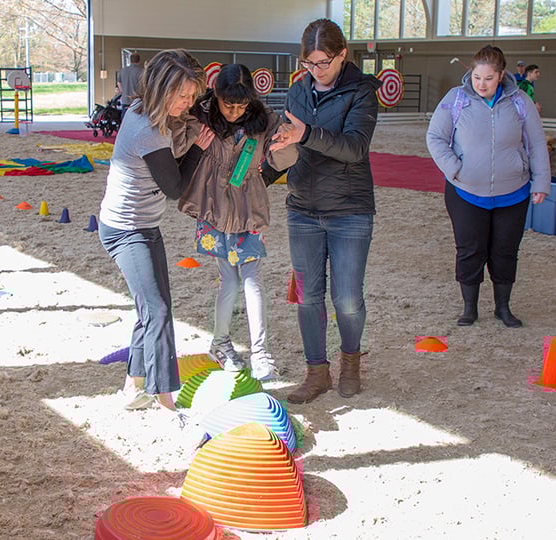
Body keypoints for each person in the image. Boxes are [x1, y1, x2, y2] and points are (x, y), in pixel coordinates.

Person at [268, 18, 381, 404]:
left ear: (342, 54)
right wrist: (260, 171)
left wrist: (306, 135)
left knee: (347, 299)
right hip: (302, 208)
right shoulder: (297, 92)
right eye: (310, 63)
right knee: (307, 296)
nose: (317, 71)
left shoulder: (363, 91)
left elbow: (355, 148)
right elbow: (288, 148)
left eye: (324, 63)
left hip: (350, 210)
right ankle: (316, 371)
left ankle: (351, 361)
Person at [98, 49, 214, 415]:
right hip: (125, 229)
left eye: (191, 96)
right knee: (159, 311)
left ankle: (133, 388)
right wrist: (198, 148)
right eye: (181, 96)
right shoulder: (147, 129)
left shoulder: (145, 108)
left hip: (144, 226)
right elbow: (175, 188)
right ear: (162, 89)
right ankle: (164, 396)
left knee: (150, 309)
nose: (187, 103)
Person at [178, 64, 298, 381]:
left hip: (249, 209)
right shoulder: (199, 115)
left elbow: (284, 159)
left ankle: (260, 353)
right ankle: (221, 344)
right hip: (214, 210)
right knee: (229, 280)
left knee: (252, 279)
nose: (234, 112)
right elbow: (177, 146)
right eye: (228, 104)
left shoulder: (266, 120)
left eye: (241, 106)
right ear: (215, 95)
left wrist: (285, 143)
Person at [426, 45, 551, 328]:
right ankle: (469, 308)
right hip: (465, 193)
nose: (481, 84)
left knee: (505, 251)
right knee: (469, 249)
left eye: (488, 78)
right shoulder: (455, 99)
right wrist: (455, 168)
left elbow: (536, 144)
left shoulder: (521, 102)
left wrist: (541, 180)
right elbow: (435, 137)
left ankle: (503, 307)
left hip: (513, 193)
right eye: (477, 78)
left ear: (502, 75)